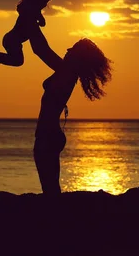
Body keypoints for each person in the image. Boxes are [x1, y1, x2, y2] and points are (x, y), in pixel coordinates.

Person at [29, 30, 113, 195]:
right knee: (51, 188)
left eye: (72, 50)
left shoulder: (66, 73)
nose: (67, 50)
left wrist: (30, 23)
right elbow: (40, 49)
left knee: (50, 190)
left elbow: (40, 49)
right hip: (50, 135)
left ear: (77, 58)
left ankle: (56, 219)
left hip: (48, 136)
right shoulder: (66, 73)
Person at [0, 0, 53, 73]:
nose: (45, 5)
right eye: (44, 1)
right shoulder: (27, 11)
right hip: (12, 40)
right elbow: (23, 10)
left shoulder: (35, 11)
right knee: (17, 61)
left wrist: (40, 19)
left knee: (17, 61)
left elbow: (42, 22)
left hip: (13, 40)